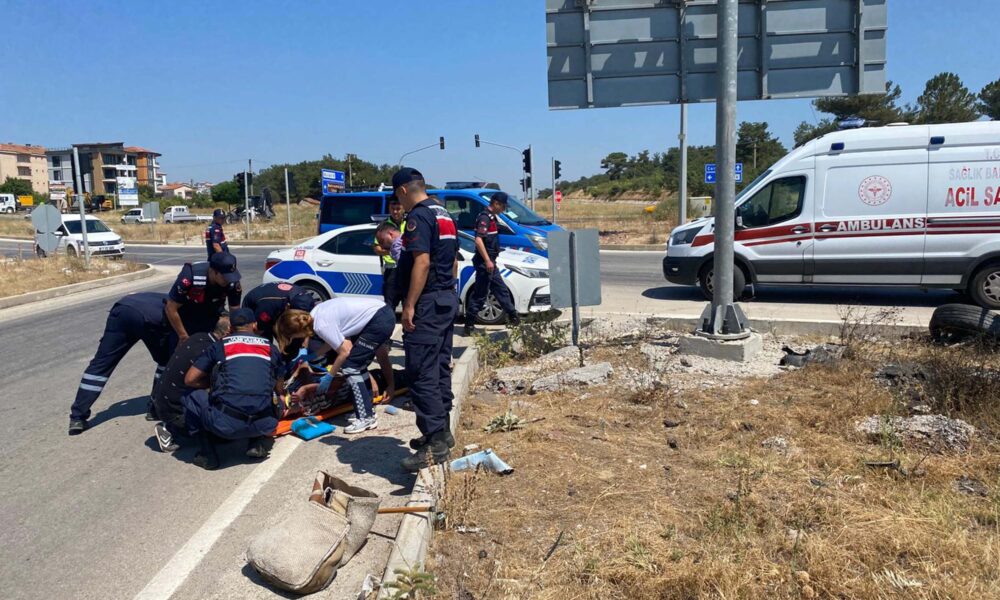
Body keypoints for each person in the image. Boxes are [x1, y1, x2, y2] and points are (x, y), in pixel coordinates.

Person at [393, 167, 459, 472]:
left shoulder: (418, 217)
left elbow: (421, 262)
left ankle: (434, 443)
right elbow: (454, 261)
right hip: (445, 298)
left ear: (404, 190)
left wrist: (409, 304)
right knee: (439, 367)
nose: (399, 203)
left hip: (428, 303)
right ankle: (442, 431)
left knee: (421, 372)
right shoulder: (444, 214)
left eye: (398, 197)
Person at [273, 297, 396, 434]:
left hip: (379, 319)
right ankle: (367, 412)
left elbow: (345, 352)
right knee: (356, 365)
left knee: (351, 366)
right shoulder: (316, 314)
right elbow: (332, 342)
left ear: (298, 331)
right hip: (381, 313)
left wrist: (330, 376)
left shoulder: (321, 326)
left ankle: (366, 417)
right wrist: (312, 356)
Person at [182, 308, 284, 470]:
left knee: (190, 394)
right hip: (265, 424)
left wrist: (213, 386)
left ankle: (207, 454)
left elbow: (190, 379)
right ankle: (256, 441)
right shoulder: (270, 347)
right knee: (277, 396)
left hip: (225, 425)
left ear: (230, 328)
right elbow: (279, 386)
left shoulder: (220, 346)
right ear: (254, 325)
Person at [68, 292, 172, 435]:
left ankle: (77, 418)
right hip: (150, 319)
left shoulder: (167, 296)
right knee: (166, 362)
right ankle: (155, 409)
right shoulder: (187, 307)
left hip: (123, 309)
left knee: (101, 365)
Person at [152, 315, 231, 453]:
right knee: (221, 430)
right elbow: (194, 381)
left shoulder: (199, 337)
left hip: (161, 399)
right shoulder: (211, 351)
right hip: (173, 408)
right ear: (227, 333)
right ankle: (169, 429)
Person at [463, 192, 520, 335]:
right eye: (503, 206)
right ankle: (469, 325)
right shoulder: (484, 218)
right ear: (496, 204)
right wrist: (487, 260)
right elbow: (478, 240)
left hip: (490, 263)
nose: (504, 209)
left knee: (501, 289)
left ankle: (513, 316)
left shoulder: (492, 218)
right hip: (485, 263)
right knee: (480, 294)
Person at [165, 252, 242, 356]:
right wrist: (183, 336)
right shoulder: (190, 276)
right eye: (226, 277)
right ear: (214, 272)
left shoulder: (233, 283)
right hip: (185, 318)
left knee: (210, 355)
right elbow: (170, 308)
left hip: (211, 317)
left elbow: (235, 312)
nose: (229, 280)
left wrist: (236, 335)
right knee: (179, 356)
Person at [241, 281, 316, 341]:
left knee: (293, 338)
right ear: (288, 306)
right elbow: (258, 331)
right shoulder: (268, 308)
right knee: (265, 339)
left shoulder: (306, 298)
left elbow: (306, 325)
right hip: (256, 307)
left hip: (277, 303)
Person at [373, 195, 406, 307]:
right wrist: (393, 252)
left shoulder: (410, 223)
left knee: (408, 305)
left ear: (403, 208)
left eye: (398, 209)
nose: (395, 212)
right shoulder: (383, 226)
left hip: (407, 271)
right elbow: (377, 249)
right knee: (389, 306)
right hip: (391, 271)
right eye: (393, 209)